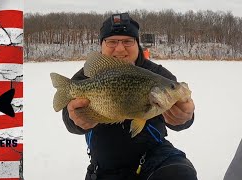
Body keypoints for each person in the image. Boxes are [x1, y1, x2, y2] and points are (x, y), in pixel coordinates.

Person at [62, 12, 197, 180]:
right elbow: (69, 119)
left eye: (127, 41)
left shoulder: (158, 75)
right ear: (101, 45)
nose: (120, 49)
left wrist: (185, 117)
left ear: (137, 44)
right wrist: (77, 121)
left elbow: (182, 116)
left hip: (154, 157)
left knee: (179, 174)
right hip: (104, 166)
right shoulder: (86, 78)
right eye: (111, 42)